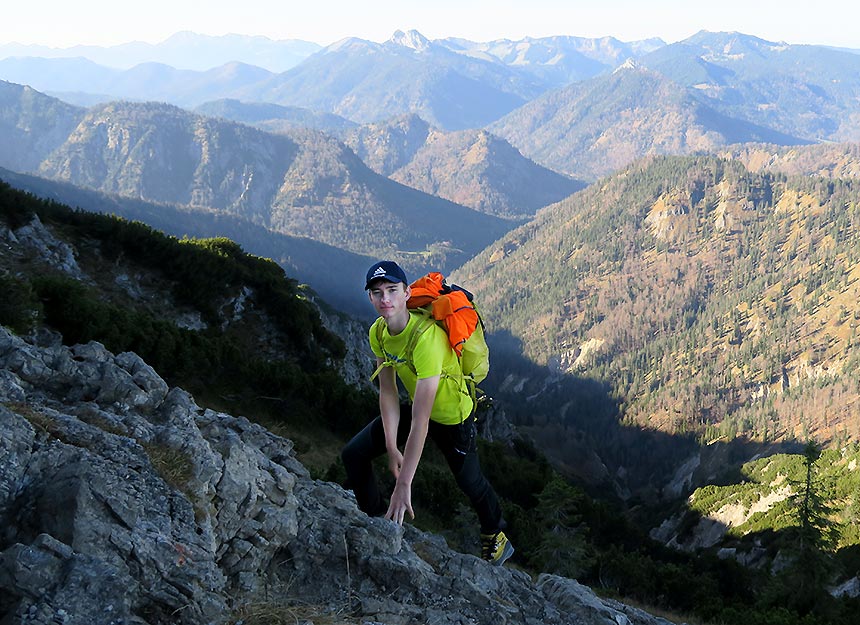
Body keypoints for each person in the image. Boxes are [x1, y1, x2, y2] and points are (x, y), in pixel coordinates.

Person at [341, 260, 514, 565]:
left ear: (407, 293)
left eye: (393, 290)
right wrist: (392, 446)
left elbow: (422, 420)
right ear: (369, 297)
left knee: (470, 483)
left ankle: (496, 535)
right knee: (353, 454)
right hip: (420, 408)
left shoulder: (426, 339)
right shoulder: (378, 333)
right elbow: (389, 391)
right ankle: (377, 519)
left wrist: (403, 484)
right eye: (378, 293)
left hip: (451, 415)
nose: (386, 299)